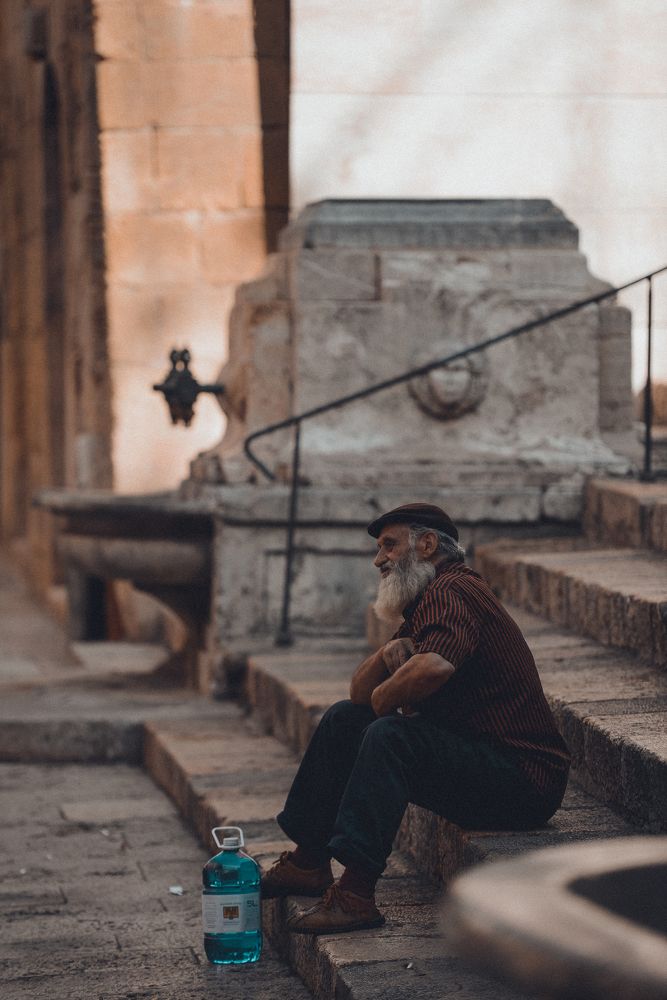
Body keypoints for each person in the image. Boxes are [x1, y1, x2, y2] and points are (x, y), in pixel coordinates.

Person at [261, 503, 571, 934]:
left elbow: (433, 668)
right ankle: (309, 861)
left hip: (523, 781)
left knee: (390, 736)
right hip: (488, 764)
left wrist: (385, 698)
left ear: (426, 545)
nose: (378, 559)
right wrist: (386, 655)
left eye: (389, 545)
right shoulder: (426, 601)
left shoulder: (454, 590)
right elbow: (357, 694)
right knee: (343, 719)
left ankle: (355, 895)